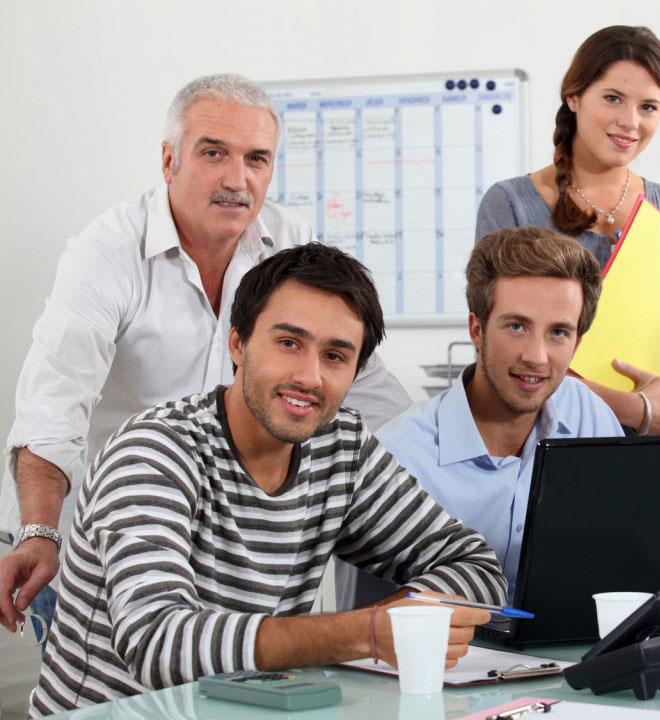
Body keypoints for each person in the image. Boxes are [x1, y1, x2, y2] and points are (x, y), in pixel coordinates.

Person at [0, 74, 412, 638]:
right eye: (213, 153)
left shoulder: (290, 243)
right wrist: (40, 532)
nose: (236, 180)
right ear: (169, 160)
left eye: (257, 159)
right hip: (104, 544)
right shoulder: (109, 251)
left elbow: (361, 382)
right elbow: (54, 407)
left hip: (229, 552)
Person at [28, 244, 505, 715]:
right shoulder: (155, 450)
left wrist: (403, 622)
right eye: (288, 343)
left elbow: (474, 565)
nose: (309, 376)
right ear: (237, 344)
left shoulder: (341, 446)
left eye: (335, 356)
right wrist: (370, 632)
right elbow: (159, 642)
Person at [475, 25, 660, 436]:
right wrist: (637, 409)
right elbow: (502, 352)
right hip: (569, 447)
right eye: (613, 98)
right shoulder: (512, 204)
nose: (629, 122)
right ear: (574, 96)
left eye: (648, 107)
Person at [374, 227, 624, 595]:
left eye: (558, 332)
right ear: (477, 330)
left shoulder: (591, 418)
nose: (536, 357)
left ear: (577, 342)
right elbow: (368, 630)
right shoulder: (399, 459)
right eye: (517, 326)